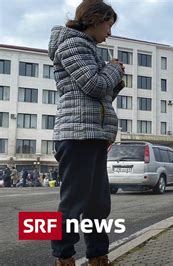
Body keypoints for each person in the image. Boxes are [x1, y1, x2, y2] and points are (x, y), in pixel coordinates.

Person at [48, 0, 124, 264]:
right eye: (108, 24)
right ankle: (64, 256)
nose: (110, 32)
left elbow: (101, 94)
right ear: (94, 19)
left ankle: (98, 254)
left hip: (92, 133)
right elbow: (93, 85)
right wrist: (113, 69)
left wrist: (114, 79)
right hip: (75, 133)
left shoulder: (90, 48)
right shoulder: (72, 44)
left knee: (98, 204)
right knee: (73, 203)